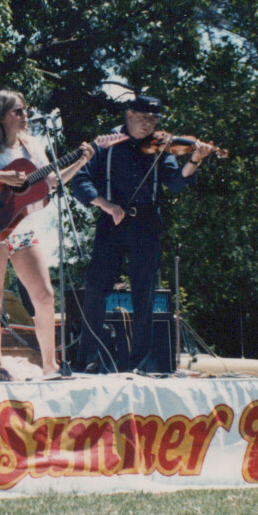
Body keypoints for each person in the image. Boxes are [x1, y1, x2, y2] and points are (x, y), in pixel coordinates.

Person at [0, 89, 93, 380]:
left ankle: (49, 365)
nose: (25, 115)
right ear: (1, 115)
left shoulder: (31, 147)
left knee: (44, 297)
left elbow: (50, 182)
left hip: (24, 230)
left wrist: (79, 162)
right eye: (18, 111)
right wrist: (2, 177)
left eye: (26, 110)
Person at [70, 95, 211, 374]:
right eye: (144, 118)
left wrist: (195, 158)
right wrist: (105, 204)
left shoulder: (161, 146)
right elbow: (80, 178)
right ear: (129, 115)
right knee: (96, 288)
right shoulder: (107, 143)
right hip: (111, 220)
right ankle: (86, 357)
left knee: (144, 291)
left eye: (154, 119)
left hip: (146, 221)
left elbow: (175, 183)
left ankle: (141, 364)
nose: (149, 124)